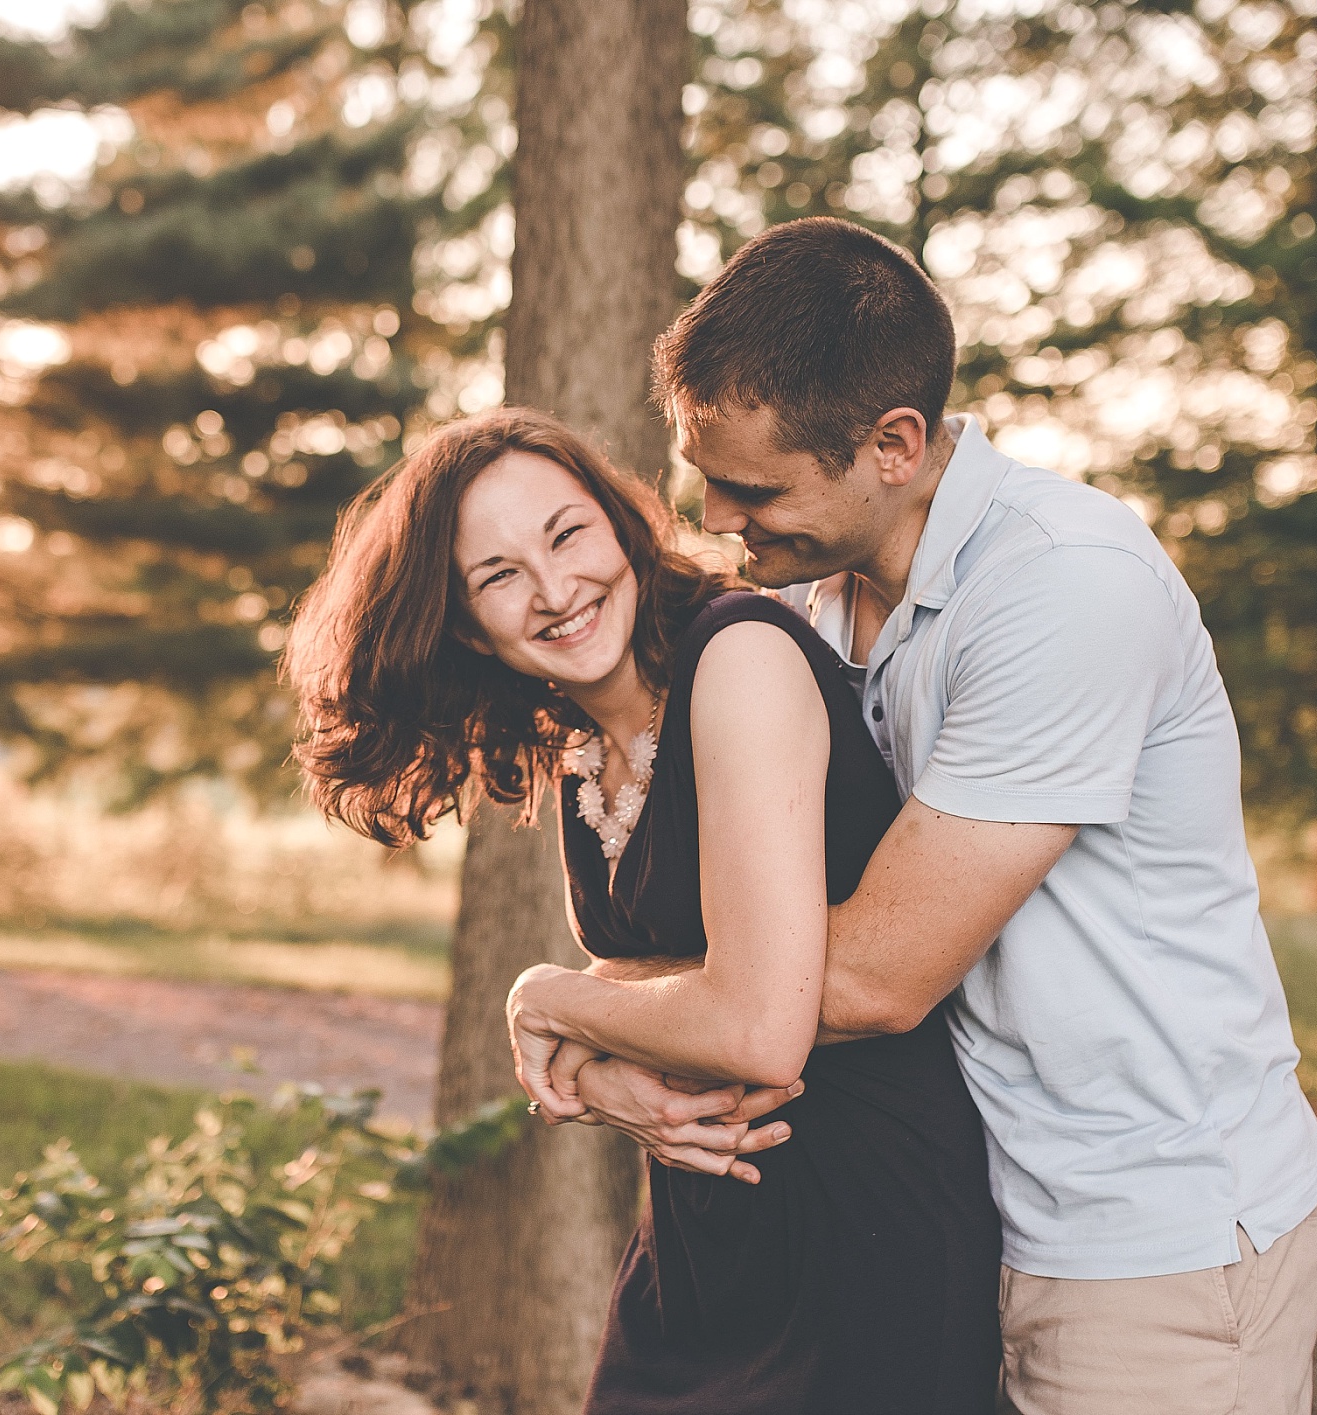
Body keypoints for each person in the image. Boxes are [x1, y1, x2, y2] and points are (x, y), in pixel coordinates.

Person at [509, 217, 1317, 1415]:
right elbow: (763, 964)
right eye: (704, 473)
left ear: (894, 444)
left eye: (753, 486)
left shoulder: (1063, 586)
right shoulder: (820, 602)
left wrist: (559, 1005)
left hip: (1148, 1239)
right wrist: (635, 1040)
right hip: (973, 1214)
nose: (720, 515)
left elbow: (857, 980)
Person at [285, 407, 1002, 1413]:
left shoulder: (739, 656)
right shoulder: (580, 740)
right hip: (704, 1237)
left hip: (865, 1232)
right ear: (461, 623)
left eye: (567, 534)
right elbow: (678, 984)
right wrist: (602, 1067)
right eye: (499, 575)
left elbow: (757, 1028)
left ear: (623, 525)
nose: (554, 590)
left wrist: (546, 998)